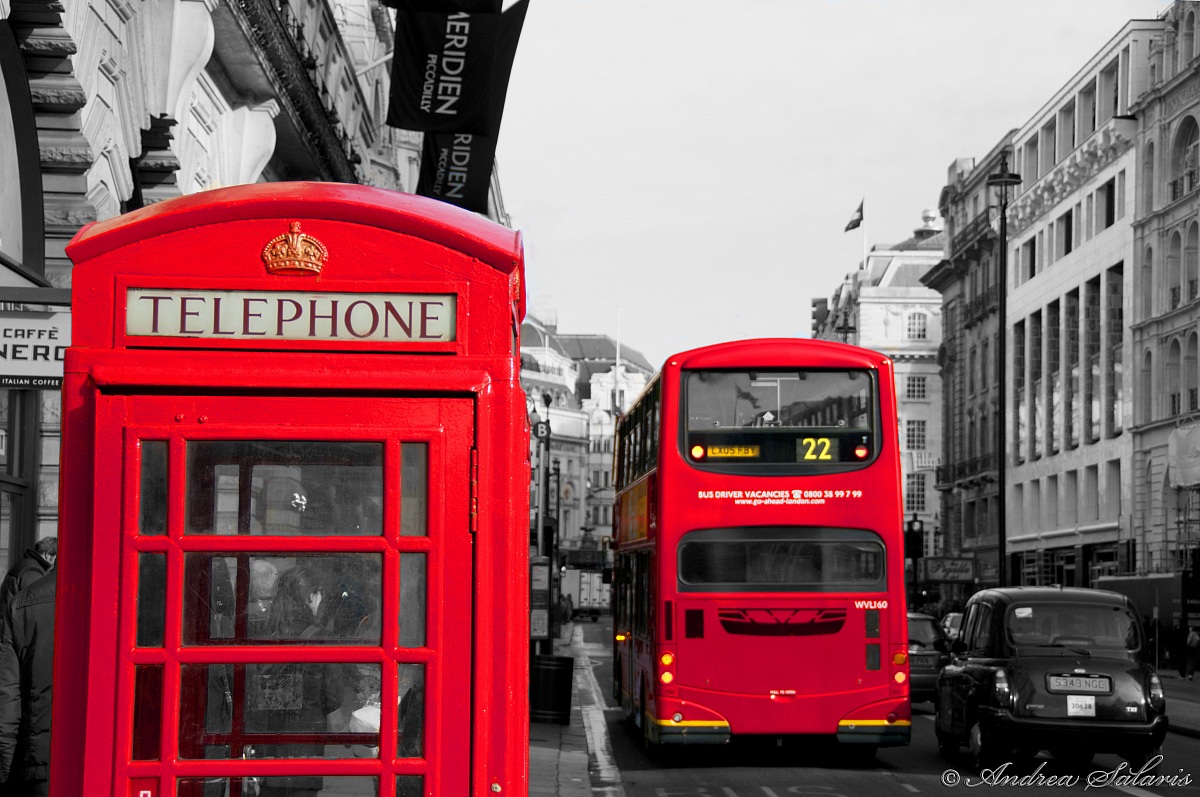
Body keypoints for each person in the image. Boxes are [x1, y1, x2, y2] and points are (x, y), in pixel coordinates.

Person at [249, 566, 349, 797]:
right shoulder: (321, 638)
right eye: (319, 594)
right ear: (310, 596)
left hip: (269, 748)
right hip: (306, 750)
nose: (321, 599)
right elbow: (334, 705)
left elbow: (265, 698)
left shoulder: (268, 634)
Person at [0, 568, 56, 796]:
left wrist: (5, 770)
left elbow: (8, 695)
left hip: (40, 762)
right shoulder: (132, 594)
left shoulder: (23, 602)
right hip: (112, 755)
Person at [0, 539, 56, 618]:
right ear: (48, 555)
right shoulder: (33, 572)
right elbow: (35, 608)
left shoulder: (26, 564)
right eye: (56, 558)